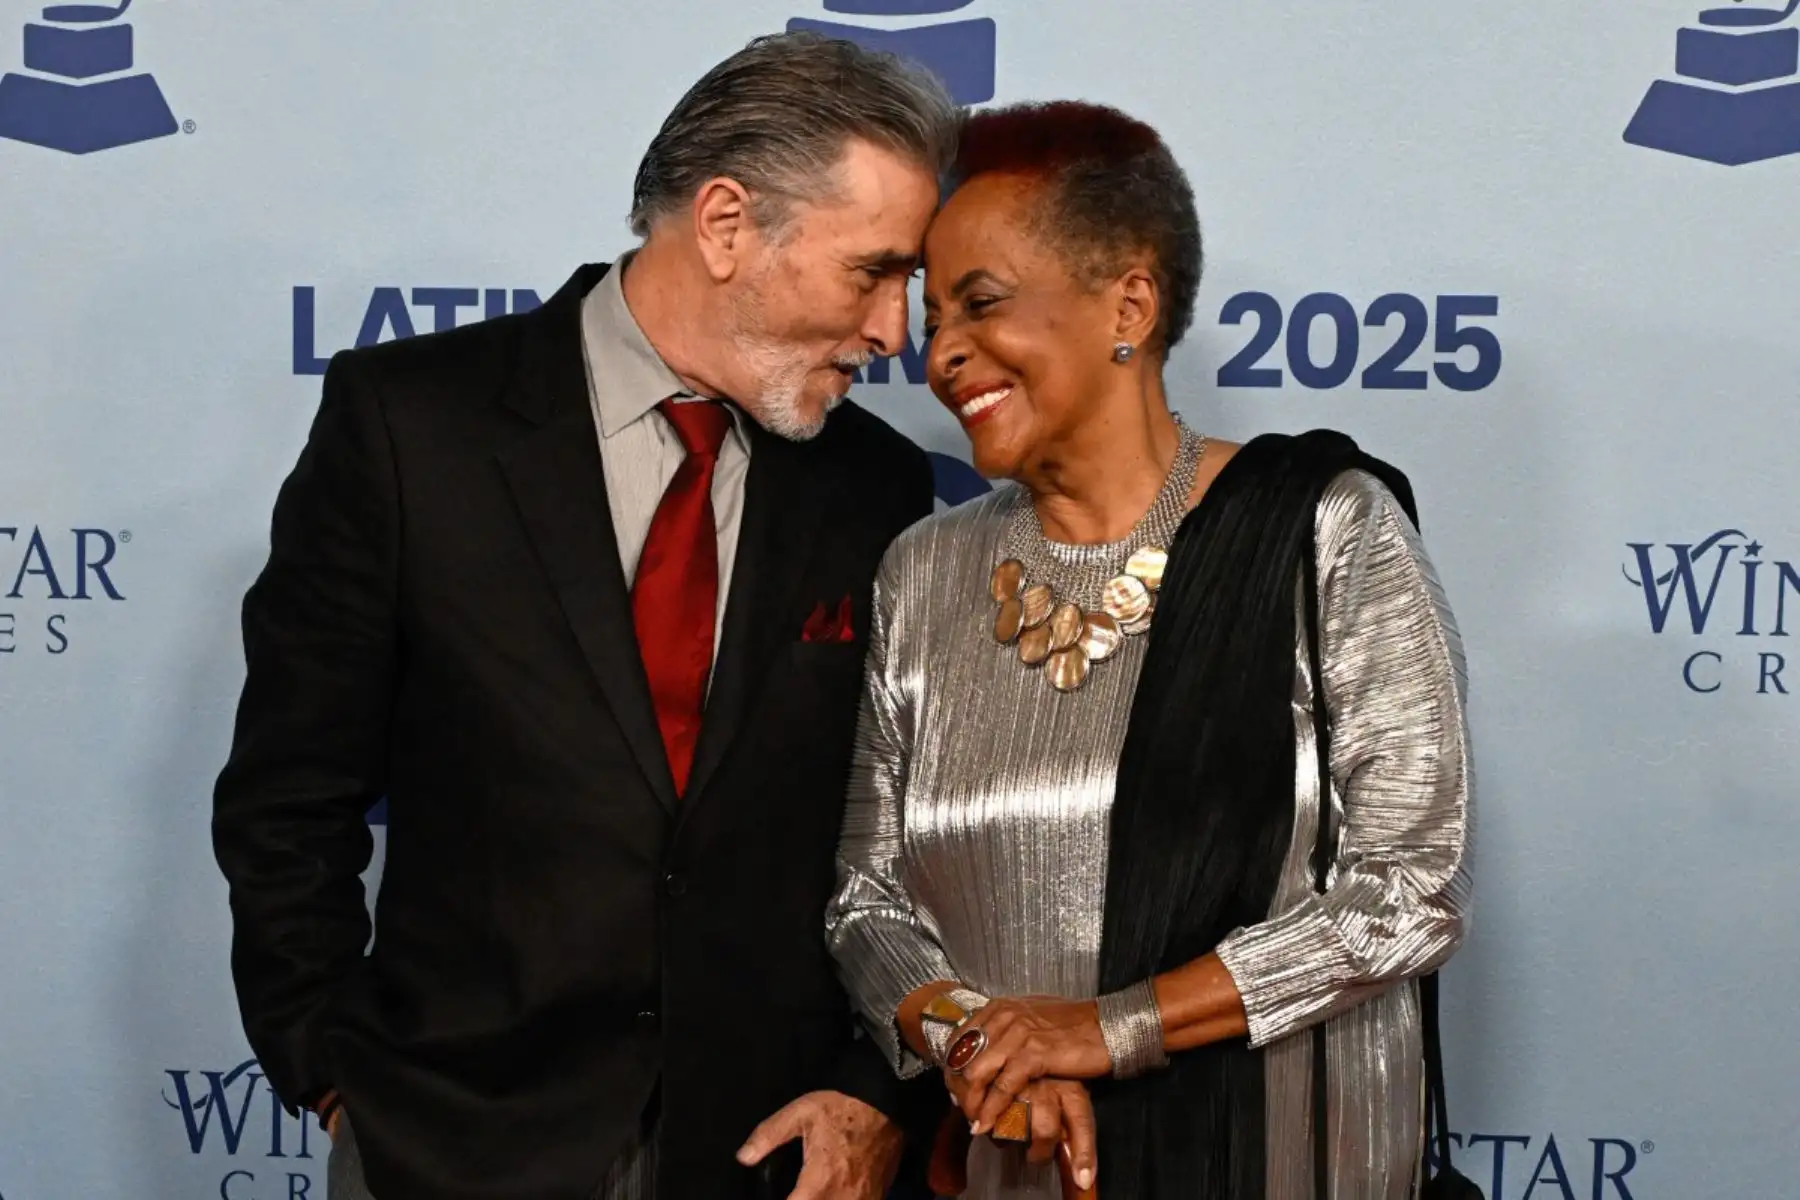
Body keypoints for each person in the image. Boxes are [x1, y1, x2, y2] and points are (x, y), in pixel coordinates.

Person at [212, 33, 959, 1200]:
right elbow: (286, 796)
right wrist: (333, 1066)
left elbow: (909, 842)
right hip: (447, 1142)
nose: (894, 331)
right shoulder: (412, 431)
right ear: (724, 225)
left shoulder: (873, 487)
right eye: (872, 270)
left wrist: (876, 1086)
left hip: (766, 1155)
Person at [826, 101, 1474, 1199]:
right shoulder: (923, 573)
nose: (945, 355)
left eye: (982, 305)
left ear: (1129, 300)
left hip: (1281, 1163)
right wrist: (979, 1043)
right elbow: (865, 901)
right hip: (1018, 1165)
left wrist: (1106, 1030)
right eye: (936, 320)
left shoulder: (1323, 532)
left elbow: (1410, 889)